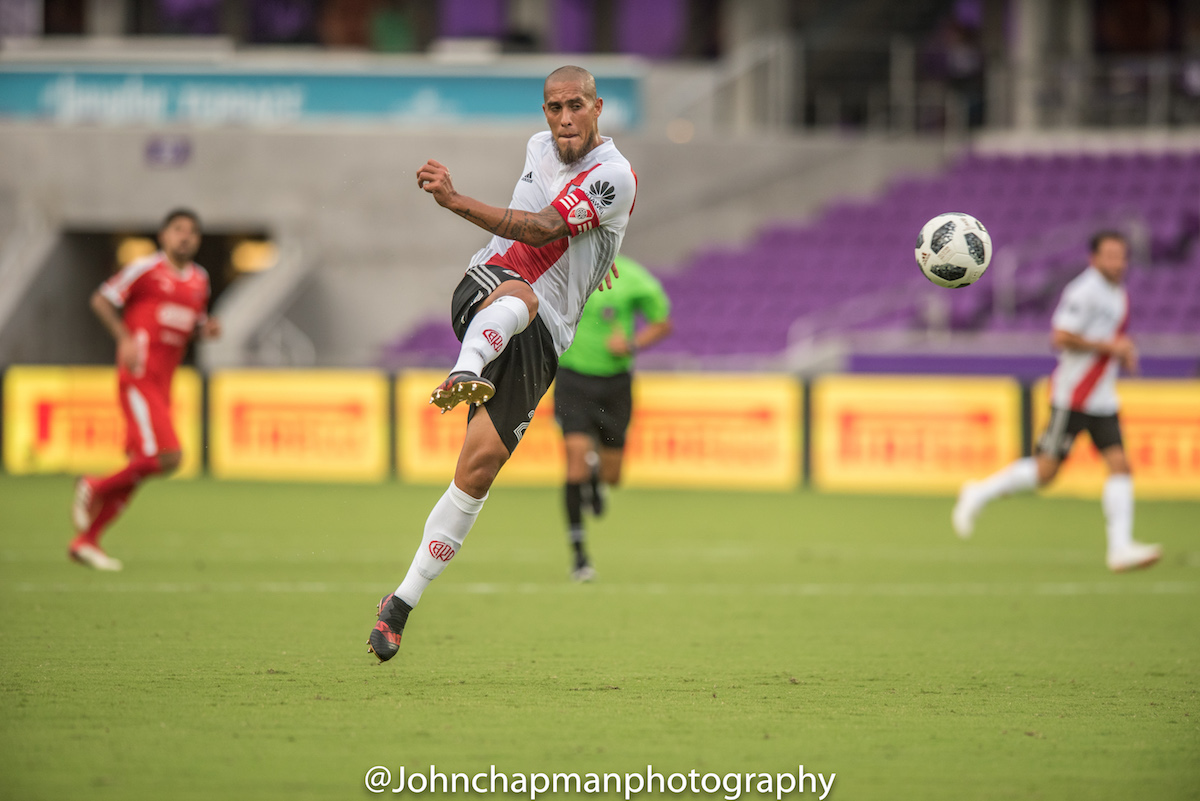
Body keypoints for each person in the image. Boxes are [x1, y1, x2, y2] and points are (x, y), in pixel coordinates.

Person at [368, 65, 637, 662]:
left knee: (479, 468)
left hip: (544, 337)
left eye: (575, 106)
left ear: (597, 108)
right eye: (552, 107)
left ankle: (400, 605)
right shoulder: (539, 148)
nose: (563, 119)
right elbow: (541, 233)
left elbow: (550, 226)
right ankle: (466, 369)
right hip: (487, 289)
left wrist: (602, 253)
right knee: (521, 293)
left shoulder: (613, 175)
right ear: (544, 113)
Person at [952, 231, 1161, 572]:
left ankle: (1120, 548)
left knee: (1120, 465)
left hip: (1102, 398)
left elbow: (1108, 340)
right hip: (1074, 396)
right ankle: (979, 492)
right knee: (1046, 471)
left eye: (1121, 256)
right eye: (1110, 255)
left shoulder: (1118, 293)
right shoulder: (1085, 290)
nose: (1117, 262)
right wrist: (1112, 348)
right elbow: (1060, 336)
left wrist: (1121, 353)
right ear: (1093, 259)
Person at [70, 209, 220, 570]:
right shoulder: (145, 269)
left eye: (192, 232)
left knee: (144, 463)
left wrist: (207, 329)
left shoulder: (200, 280)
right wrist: (124, 338)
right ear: (163, 236)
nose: (185, 237)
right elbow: (101, 299)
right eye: (178, 230)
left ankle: (87, 540)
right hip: (139, 376)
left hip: (163, 384)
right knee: (169, 457)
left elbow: (191, 323)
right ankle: (95, 484)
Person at [553, 253, 672, 581]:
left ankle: (596, 478)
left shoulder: (634, 277)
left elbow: (662, 322)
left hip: (615, 386)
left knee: (613, 475)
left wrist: (633, 343)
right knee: (574, 457)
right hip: (572, 378)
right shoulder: (567, 272)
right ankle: (579, 557)